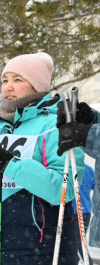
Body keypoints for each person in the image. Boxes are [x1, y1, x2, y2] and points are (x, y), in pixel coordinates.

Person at [0, 52, 85, 264]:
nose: (8, 86)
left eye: (18, 80)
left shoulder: (56, 124)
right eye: (4, 80)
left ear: (37, 86)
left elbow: (62, 191)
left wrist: (13, 165)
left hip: (42, 250)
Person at [57, 97, 100, 249]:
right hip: (92, 217)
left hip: (82, 210)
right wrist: (91, 120)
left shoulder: (85, 170)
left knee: (76, 248)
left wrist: (85, 134)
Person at [71, 165, 95, 265]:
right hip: (86, 211)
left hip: (73, 211)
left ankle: (88, 263)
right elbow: (96, 187)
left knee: (76, 244)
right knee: (78, 243)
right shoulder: (88, 169)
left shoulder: (68, 167)